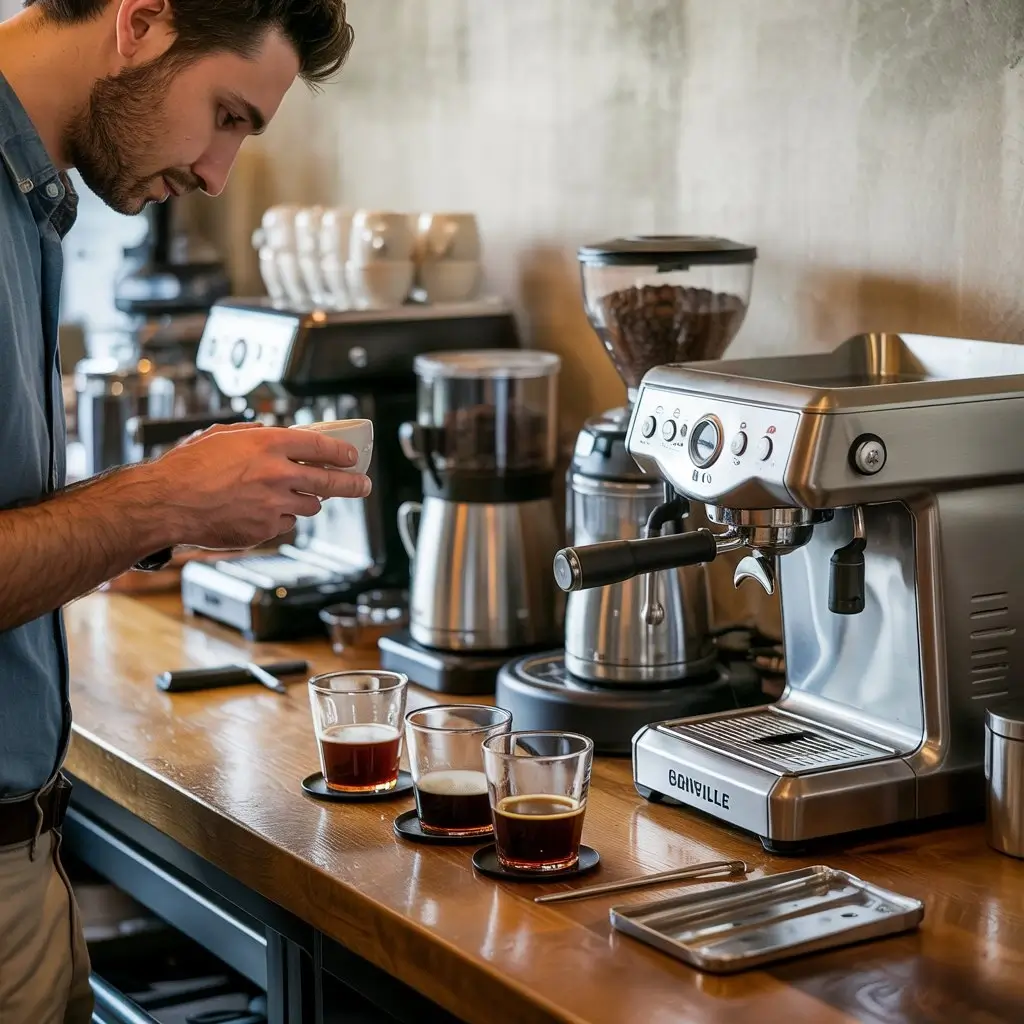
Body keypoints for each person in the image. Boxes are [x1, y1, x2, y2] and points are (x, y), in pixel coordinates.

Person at [0, 0, 357, 1020]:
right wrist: (162, 494)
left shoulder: (30, 198)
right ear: (143, 22)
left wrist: (163, 515)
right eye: (229, 115)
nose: (215, 173)